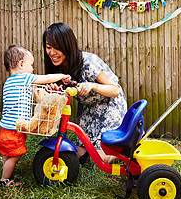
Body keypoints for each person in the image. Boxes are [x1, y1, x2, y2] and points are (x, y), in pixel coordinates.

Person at [43, 23, 127, 164]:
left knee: (100, 159)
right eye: (48, 47)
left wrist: (92, 85)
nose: (52, 53)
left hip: (109, 106)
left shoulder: (89, 62)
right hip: (89, 108)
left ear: (67, 45)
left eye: (56, 47)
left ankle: (126, 148)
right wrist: (55, 91)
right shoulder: (57, 67)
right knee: (79, 154)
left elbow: (115, 90)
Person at [0, 44, 71, 187]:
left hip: (5, 129)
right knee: (15, 155)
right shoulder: (23, 78)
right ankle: (4, 180)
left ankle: (6, 174)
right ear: (21, 64)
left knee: (7, 154)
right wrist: (61, 76)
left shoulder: (9, 82)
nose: (33, 69)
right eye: (31, 65)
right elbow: (46, 78)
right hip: (14, 129)